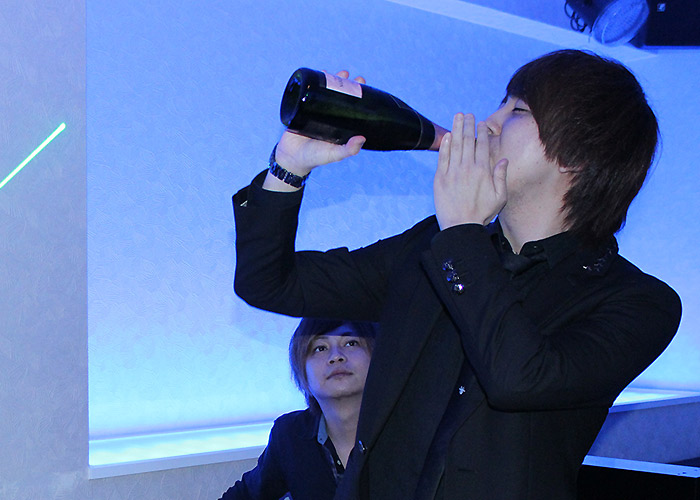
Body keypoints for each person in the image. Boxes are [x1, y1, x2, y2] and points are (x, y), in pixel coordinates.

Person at [232, 49, 682, 499]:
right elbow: (269, 282)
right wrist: (289, 167)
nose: (489, 124)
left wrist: (464, 232)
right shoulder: (434, 245)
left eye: (517, 111)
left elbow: (520, 378)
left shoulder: (639, 302)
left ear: (577, 154)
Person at [219, 318, 377, 500]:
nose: (336, 356)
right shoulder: (290, 435)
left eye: (351, 343)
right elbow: (245, 495)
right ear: (302, 372)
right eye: (320, 348)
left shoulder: (402, 432)